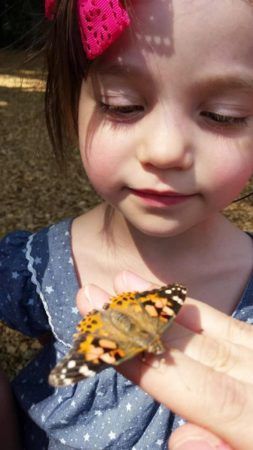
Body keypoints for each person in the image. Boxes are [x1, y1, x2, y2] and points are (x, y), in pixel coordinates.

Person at [0, 0, 252, 448]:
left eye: (223, 114)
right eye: (124, 105)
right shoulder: (34, 269)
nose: (165, 149)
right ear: (70, 100)